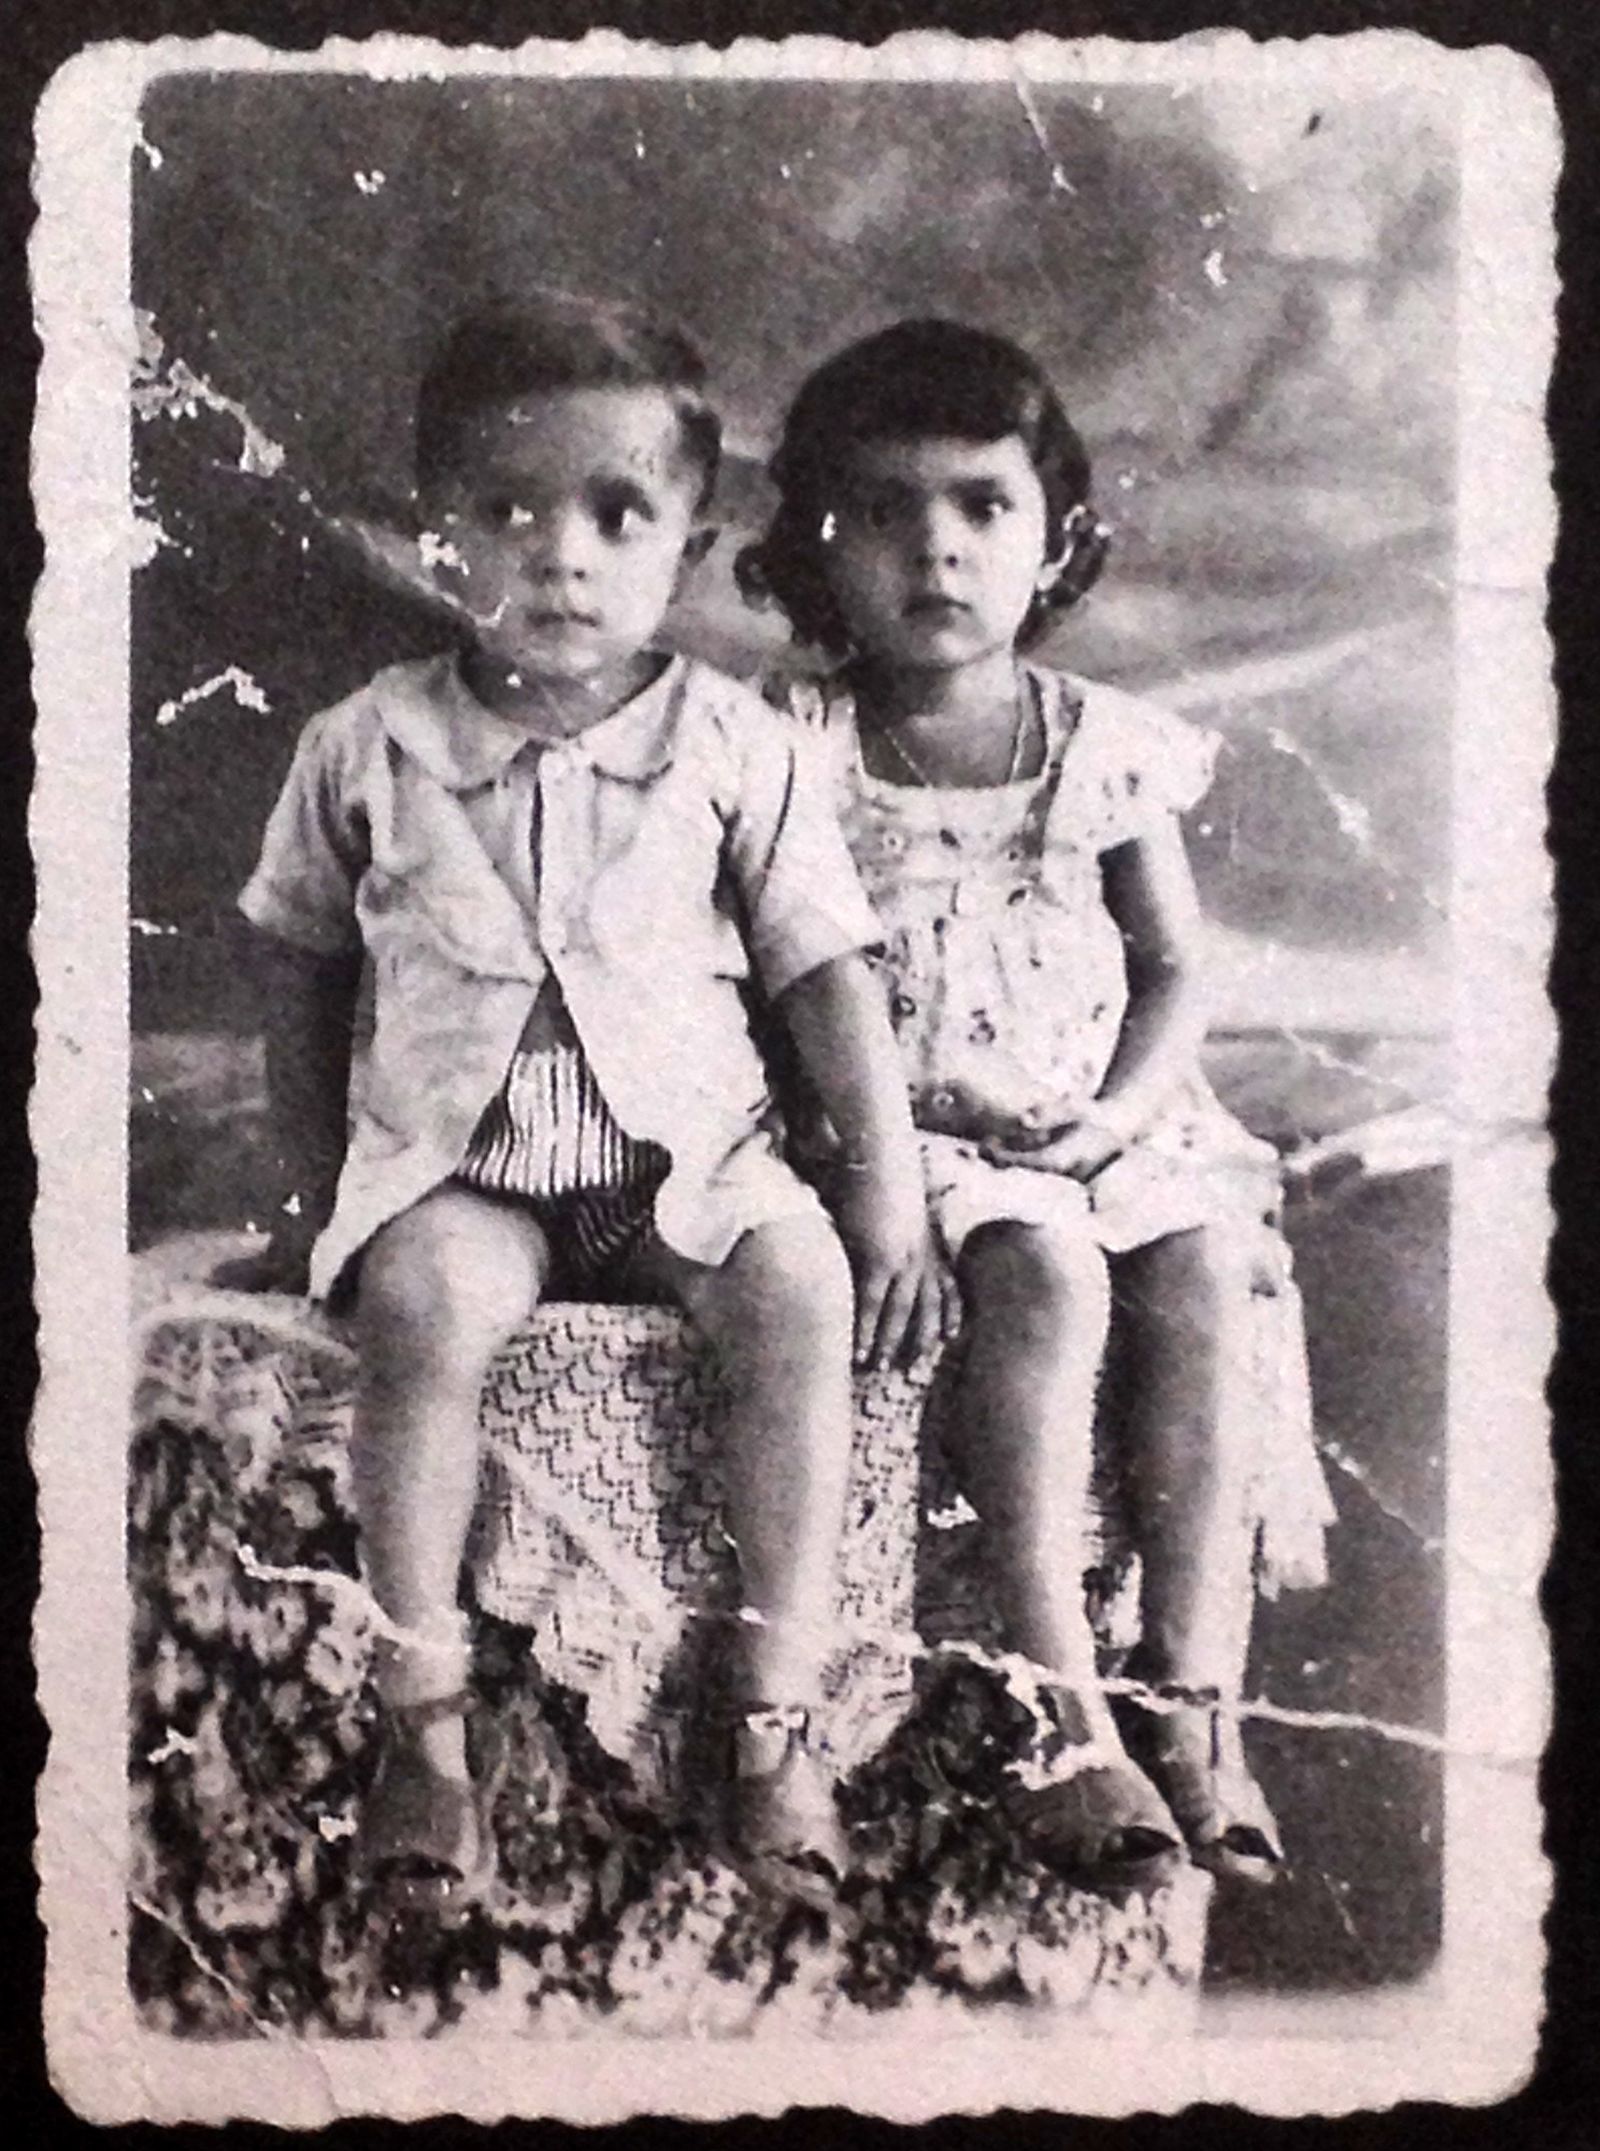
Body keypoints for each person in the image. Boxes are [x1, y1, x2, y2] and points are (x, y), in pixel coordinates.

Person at [223, 295, 936, 1902]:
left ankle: (771, 1716)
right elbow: (297, 968)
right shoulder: (368, 748)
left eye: (618, 515)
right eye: (508, 511)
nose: (562, 556)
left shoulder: (738, 747)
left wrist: (882, 1186)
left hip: (686, 1167)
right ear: (432, 537)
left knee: (802, 1282)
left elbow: (826, 972)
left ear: (686, 549)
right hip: (467, 1170)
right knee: (417, 1306)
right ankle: (424, 1723)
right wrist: (304, 1196)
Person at [740, 318, 1333, 1888]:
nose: (935, 549)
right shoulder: (788, 745)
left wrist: (1130, 1116)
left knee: (1203, 1267)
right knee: (1044, 1272)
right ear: (816, 541)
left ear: (1056, 536)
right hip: (905, 1135)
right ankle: (1059, 1705)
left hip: (1097, 1118)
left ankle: (1198, 1703)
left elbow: (1174, 972)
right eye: (884, 512)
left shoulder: (1102, 747)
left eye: (982, 507)